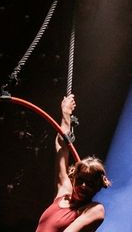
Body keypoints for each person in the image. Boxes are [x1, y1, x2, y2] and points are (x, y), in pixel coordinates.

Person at [35, 94, 111, 232]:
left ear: (98, 186)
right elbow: (61, 148)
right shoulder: (63, 191)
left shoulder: (95, 210)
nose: (83, 185)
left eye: (90, 183)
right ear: (74, 177)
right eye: (81, 179)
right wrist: (65, 115)